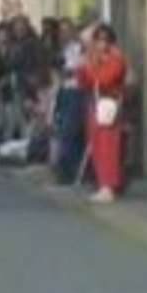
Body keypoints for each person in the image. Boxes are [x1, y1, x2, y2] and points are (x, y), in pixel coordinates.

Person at [77, 24, 128, 203]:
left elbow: (105, 79)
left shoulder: (116, 60)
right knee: (97, 146)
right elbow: (83, 81)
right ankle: (102, 183)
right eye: (98, 40)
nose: (101, 44)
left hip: (109, 105)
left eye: (105, 40)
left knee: (109, 147)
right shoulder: (95, 59)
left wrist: (91, 66)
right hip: (95, 104)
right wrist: (85, 66)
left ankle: (109, 185)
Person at [53, 18, 87, 184]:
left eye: (67, 30)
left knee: (70, 131)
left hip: (76, 92)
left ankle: (70, 171)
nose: (64, 34)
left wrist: (68, 71)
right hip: (65, 91)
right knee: (64, 131)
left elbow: (79, 69)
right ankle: (66, 170)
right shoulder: (63, 49)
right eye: (61, 31)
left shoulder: (80, 48)